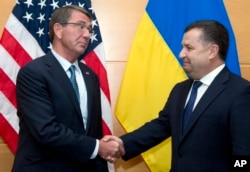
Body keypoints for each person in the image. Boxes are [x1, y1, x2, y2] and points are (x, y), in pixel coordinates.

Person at [104, 20, 250, 171]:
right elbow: (162, 126)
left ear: (212, 51)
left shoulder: (241, 92)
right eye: (182, 47)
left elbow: (244, 156)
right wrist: (122, 144)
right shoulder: (180, 90)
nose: (181, 54)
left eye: (189, 48)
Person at [12, 5, 123, 172]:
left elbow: (94, 133)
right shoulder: (33, 73)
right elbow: (46, 131)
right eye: (80, 26)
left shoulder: (90, 76)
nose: (87, 35)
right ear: (58, 29)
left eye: (89, 29)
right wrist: (98, 147)